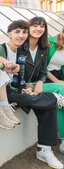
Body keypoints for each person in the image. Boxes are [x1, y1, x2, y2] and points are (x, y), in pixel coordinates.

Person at [0, 20, 63, 169]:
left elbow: (19, 76)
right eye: (18, 32)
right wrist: (22, 87)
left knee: (47, 104)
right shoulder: (4, 49)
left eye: (23, 32)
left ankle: (44, 149)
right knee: (49, 99)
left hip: (16, 90)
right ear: (9, 34)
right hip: (2, 95)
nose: (21, 35)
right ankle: (55, 98)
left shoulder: (20, 51)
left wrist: (25, 87)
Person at [23, 17, 64, 155]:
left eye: (41, 26)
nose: (38, 29)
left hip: (39, 83)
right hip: (26, 85)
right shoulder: (21, 45)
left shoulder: (42, 48)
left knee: (58, 101)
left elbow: (41, 70)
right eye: (35, 26)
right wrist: (28, 84)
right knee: (61, 92)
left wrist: (40, 82)